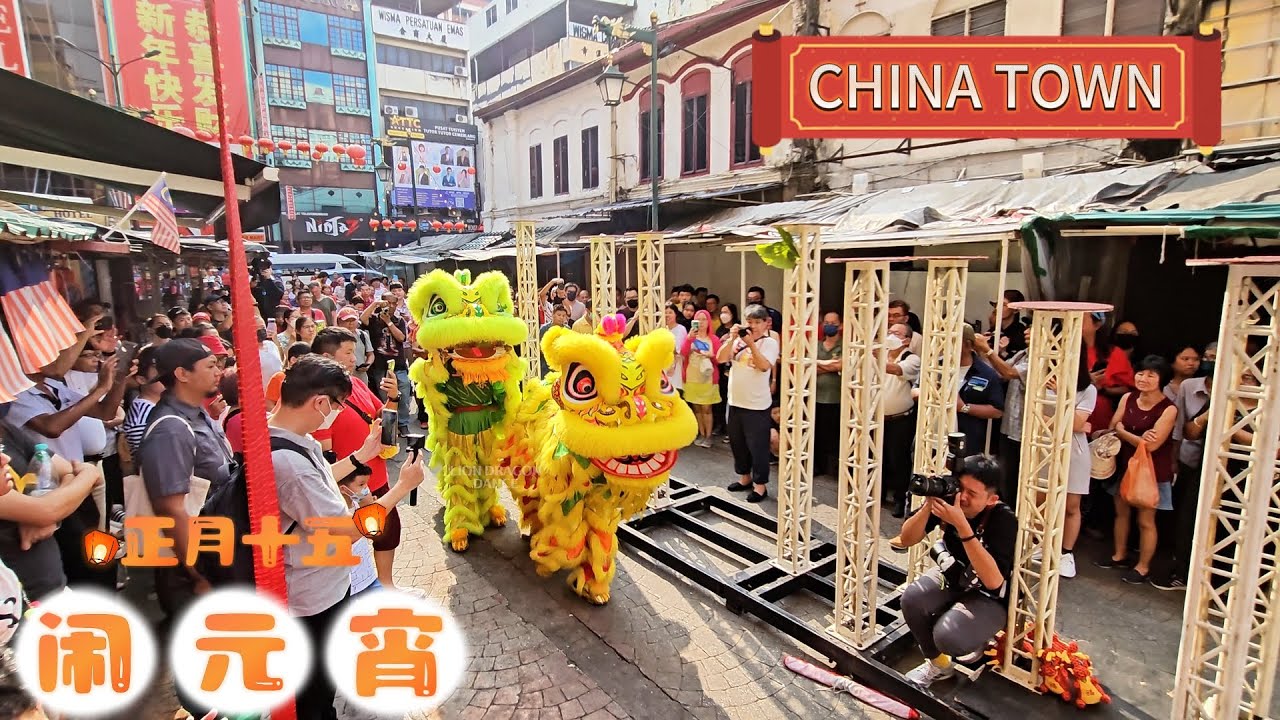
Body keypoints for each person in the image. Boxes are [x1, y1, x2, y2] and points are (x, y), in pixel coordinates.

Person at [267, 355, 425, 719]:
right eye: (337, 405)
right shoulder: (289, 463)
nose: (336, 414)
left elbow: (323, 475)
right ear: (320, 402)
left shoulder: (288, 438)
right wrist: (401, 488)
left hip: (321, 587)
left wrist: (362, 455)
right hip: (312, 599)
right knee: (316, 698)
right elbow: (348, 531)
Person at [896, 455, 1018, 688]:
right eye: (960, 488)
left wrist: (962, 525)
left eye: (972, 494)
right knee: (912, 599)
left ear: (991, 499)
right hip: (955, 575)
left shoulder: (1004, 519)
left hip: (990, 596)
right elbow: (906, 538)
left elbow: (993, 581)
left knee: (949, 636)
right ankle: (939, 665)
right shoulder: (951, 500)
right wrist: (928, 506)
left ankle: (979, 637)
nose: (962, 497)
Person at [137, 339, 233, 624]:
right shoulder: (171, 429)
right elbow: (172, 511)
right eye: (211, 366)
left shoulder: (199, 412)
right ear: (182, 374)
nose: (219, 372)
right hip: (193, 563)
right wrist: (199, 574)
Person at [310, 327, 406, 591]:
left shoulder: (359, 384)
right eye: (349, 353)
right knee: (357, 538)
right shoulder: (320, 400)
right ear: (328, 358)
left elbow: (383, 416)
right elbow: (325, 454)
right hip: (348, 488)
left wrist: (394, 397)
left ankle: (386, 585)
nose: (355, 358)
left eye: (355, 351)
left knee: (387, 533)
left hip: (377, 474)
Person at [1097, 355, 1177, 585]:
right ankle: (1119, 554)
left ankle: (1143, 567)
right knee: (1121, 511)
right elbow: (1113, 427)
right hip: (1124, 463)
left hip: (1151, 471)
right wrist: (1135, 437)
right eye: (1141, 373)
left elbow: (1152, 445)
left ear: (1162, 379)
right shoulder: (1127, 397)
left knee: (1146, 520)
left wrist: (1125, 433)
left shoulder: (1169, 409)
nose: (1143, 378)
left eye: (1151, 374)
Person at [719, 305, 780, 503]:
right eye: (749, 322)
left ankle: (760, 486)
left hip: (757, 405)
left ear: (765, 323)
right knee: (738, 444)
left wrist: (751, 344)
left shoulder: (769, 342)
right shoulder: (737, 340)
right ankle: (744, 478)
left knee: (758, 447)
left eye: (756, 322)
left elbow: (764, 367)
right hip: (735, 401)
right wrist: (731, 338)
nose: (752, 326)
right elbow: (720, 357)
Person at [681, 310, 721, 447]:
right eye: (698, 320)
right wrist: (689, 339)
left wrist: (710, 355)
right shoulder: (691, 337)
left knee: (707, 408)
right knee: (696, 407)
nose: (702, 323)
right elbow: (683, 353)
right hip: (692, 376)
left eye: (704, 319)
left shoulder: (714, 339)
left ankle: (708, 436)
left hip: (708, 378)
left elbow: (720, 359)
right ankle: (701, 433)